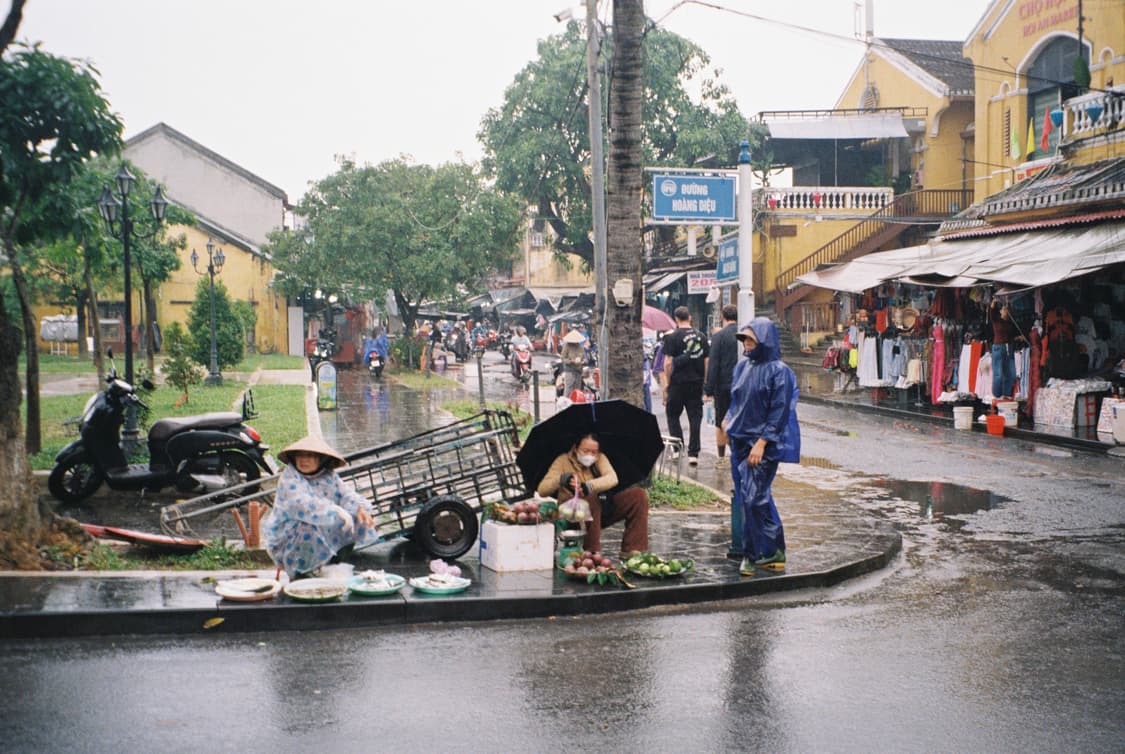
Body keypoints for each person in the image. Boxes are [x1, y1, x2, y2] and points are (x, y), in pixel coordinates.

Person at [725, 318, 800, 577]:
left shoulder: (780, 372)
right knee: (752, 497)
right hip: (739, 440)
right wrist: (728, 421)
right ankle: (773, 549)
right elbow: (736, 400)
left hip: (761, 446)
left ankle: (751, 554)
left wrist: (762, 442)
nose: (746, 344)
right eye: (744, 339)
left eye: (751, 339)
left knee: (753, 498)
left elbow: (779, 412)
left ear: (764, 341)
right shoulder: (742, 367)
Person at [263, 436, 378, 579]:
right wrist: (335, 509)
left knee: (356, 518)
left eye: (310, 455)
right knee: (308, 527)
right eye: (300, 455)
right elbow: (301, 504)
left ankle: (333, 564)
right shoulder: (290, 477)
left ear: (321, 459)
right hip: (289, 532)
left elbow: (346, 493)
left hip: (323, 523)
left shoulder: (329, 475)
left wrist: (360, 508)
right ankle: (302, 573)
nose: (304, 460)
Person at [535, 433, 649, 557]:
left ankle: (631, 549)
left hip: (599, 511)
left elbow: (612, 478)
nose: (590, 455)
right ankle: (591, 552)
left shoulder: (600, 458)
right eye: (585, 451)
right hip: (572, 515)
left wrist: (588, 486)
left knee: (639, 495)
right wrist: (562, 479)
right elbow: (542, 490)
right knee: (590, 497)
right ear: (576, 448)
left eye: (594, 452)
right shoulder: (562, 461)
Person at [662, 306, 709, 465]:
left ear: (676, 319)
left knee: (672, 415)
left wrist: (667, 383)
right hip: (696, 382)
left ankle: (677, 450)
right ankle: (693, 454)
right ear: (690, 317)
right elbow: (706, 360)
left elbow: (668, 363)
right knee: (695, 417)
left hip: (677, 383)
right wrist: (704, 379)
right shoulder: (701, 336)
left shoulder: (672, 337)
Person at [704, 304, 739, 466]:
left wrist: (708, 389)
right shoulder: (744, 334)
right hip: (742, 385)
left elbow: (714, 365)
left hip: (723, 385)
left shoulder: (718, 337)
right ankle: (738, 453)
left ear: (723, 317)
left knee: (720, 420)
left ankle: (721, 457)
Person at [989, 297, 1022, 399]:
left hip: (1009, 348)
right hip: (998, 348)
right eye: (1004, 309)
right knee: (998, 374)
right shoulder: (996, 320)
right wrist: (994, 301)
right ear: (1001, 312)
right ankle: (997, 395)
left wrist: (1019, 337)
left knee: (1011, 374)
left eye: (1007, 310)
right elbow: (991, 311)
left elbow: (1011, 336)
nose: (1006, 311)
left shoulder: (1011, 323)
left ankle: (1006, 394)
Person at [559, 329, 587, 397]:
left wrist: (583, 360)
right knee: (569, 389)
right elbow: (563, 358)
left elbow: (583, 357)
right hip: (570, 370)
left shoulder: (580, 347)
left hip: (578, 370)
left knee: (577, 390)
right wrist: (571, 361)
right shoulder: (567, 346)